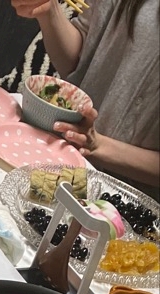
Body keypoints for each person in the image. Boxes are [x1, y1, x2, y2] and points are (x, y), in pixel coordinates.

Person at [10, 0, 159, 194]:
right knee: (6, 187)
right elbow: (76, 63)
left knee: (21, 196)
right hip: (66, 160)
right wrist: (49, 11)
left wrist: (97, 145)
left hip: (128, 199)